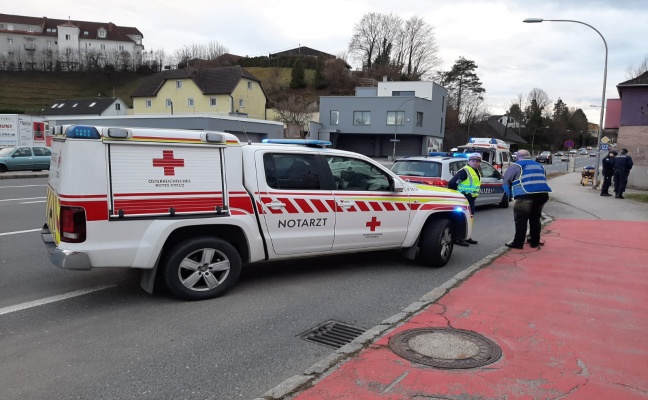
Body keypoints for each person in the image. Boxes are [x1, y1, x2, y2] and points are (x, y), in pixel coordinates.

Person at [502, 149, 552, 249]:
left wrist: (510, 196)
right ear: (529, 156)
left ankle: (518, 243)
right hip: (542, 195)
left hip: (525, 195)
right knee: (535, 219)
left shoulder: (516, 166)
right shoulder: (539, 165)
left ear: (517, 157)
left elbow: (506, 182)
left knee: (521, 219)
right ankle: (534, 242)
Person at [448, 152, 482, 247]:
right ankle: (458, 238)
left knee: (469, 218)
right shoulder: (465, 171)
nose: (475, 163)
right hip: (463, 198)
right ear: (469, 161)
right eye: (473, 160)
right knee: (461, 218)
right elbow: (452, 184)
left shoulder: (476, 171)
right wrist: (457, 196)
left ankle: (467, 237)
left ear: (480, 162)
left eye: (477, 161)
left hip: (471, 199)